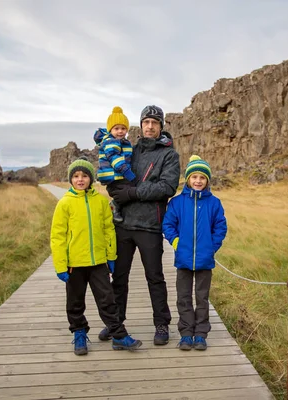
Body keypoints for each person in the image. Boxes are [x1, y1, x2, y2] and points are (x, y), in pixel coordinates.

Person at [98, 105, 180, 345]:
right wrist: (115, 190)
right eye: (146, 122)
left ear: (161, 126)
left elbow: (166, 188)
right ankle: (115, 324)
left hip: (151, 224)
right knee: (119, 278)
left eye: (155, 122)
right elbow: (113, 173)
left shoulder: (169, 155)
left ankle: (162, 324)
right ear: (141, 125)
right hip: (123, 224)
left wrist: (132, 193)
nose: (150, 126)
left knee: (155, 276)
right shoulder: (130, 150)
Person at [50, 157, 142, 355]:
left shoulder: (100, 201)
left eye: (84, 176)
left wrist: (111, 256)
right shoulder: (64, 204)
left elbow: (108, 229)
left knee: (107, 300)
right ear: (71, 180)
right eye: (76, 176)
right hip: (74, 264)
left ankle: (118, 335)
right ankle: (79, 334)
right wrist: (60, 265)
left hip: (98, 262)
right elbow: (57, 237)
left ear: (91, 179)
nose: (80, 179)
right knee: (75, 302)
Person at [162, 155, 227, 351]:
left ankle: (200, 334)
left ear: (207, 180)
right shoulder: (177, 202)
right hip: (183, 259)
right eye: (194, 177)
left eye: (202, 177)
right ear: (188, 179)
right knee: (183, 297)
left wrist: (211, 247)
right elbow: (168, 224)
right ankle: (186, 333)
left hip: (204, 261)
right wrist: (176, 242)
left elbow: (220, 227)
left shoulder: (214, 203)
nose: (198, 181)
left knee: (202, 297)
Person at [93, 106, 136, 223]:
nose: (120, 131)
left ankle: (117, 208)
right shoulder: (111, 142)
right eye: (116, 128)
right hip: (113, 175)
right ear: (110, 130)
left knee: (126, 191)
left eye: (123, 128)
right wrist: (126, 171)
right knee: (127, 191)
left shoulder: (122, 142)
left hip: (116, 174)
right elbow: (114, 157)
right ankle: (114, 206)